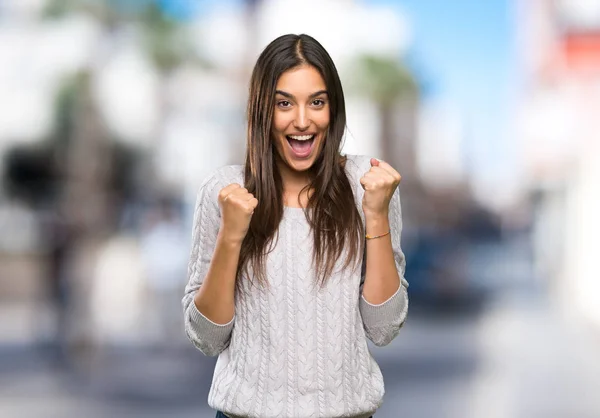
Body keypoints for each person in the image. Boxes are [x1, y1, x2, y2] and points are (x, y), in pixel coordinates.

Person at [182, 33, 409, 418]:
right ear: (261, 111)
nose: (302, 121)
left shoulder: (367, 184)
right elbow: (207, 338)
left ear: (332, 109)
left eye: (316, 102)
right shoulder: (224, 191)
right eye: (283, 103)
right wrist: (231, 237)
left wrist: (376, 216)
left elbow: (384, 328)